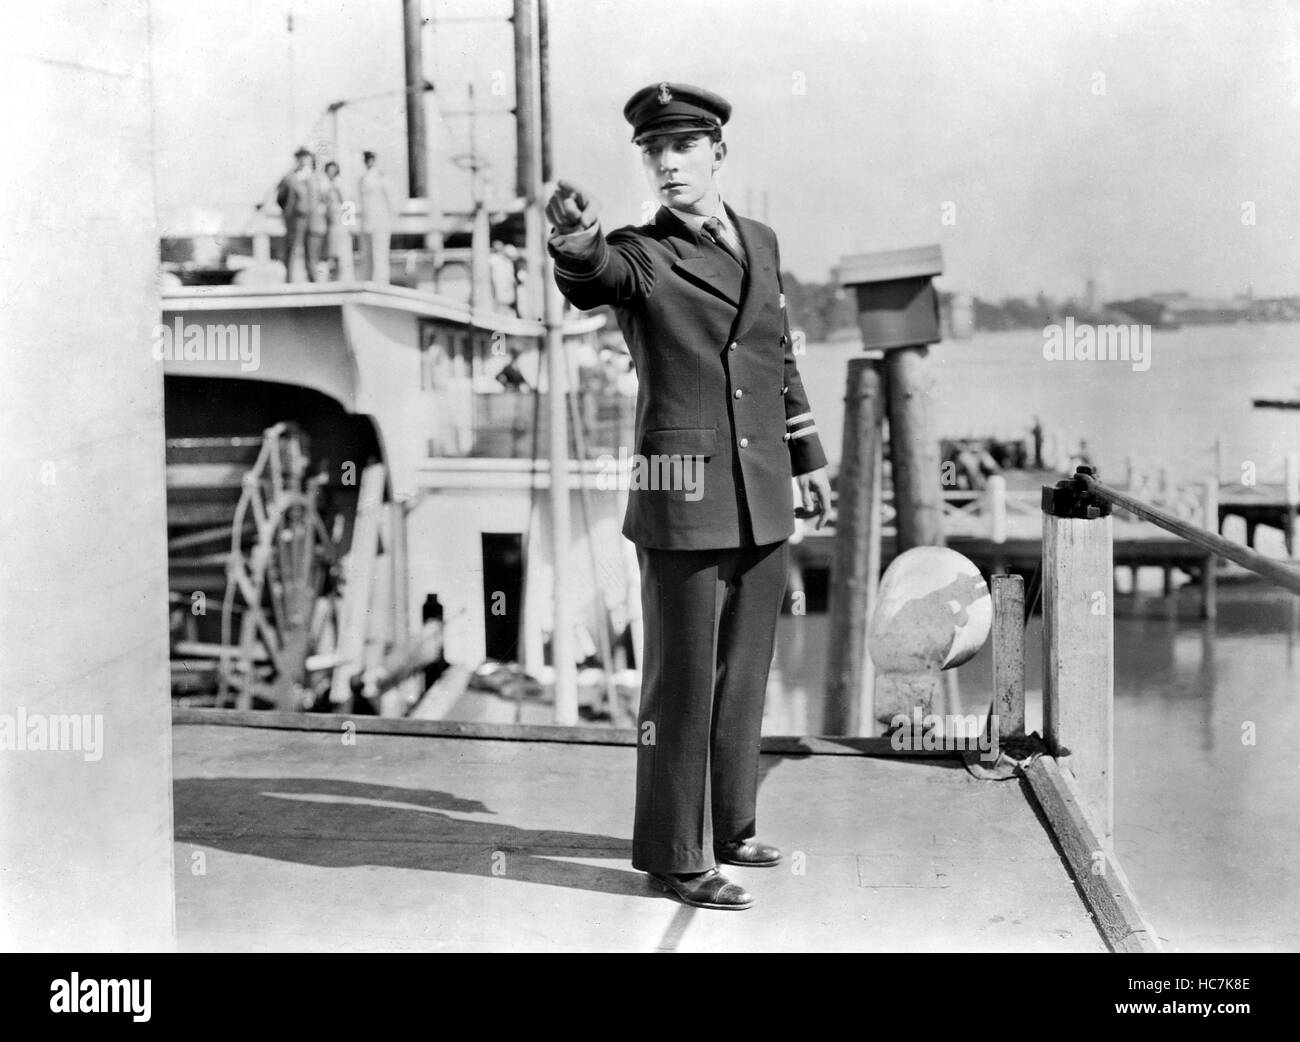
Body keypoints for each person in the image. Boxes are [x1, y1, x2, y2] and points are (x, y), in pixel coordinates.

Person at [546, 82, 832, 911]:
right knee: (682, 681)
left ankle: (731, 825)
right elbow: (594, 277)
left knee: (745, 670)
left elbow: (776, 356)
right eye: (653, 152)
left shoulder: (760, 240)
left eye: (683, 147)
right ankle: (676, 853)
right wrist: (575, 239)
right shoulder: (641, 251)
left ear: (718, 152)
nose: (668, 164)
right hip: (683, 493)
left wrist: (808, 455)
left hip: (762, 487)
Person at [275, 147, 318, 282]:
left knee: (311, 249)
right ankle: (289, 279)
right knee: (292, 247)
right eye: (302, 159)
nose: (304, 162)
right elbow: (280, 197)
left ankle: (313, 278)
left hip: (311, 218)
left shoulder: (313, 177)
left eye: (307, 159)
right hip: (295, 218)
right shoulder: (290, 177)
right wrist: (289, 211)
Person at [358, 150, 394, 283]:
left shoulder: (381, 177)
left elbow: (391, 200)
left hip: (380, 221)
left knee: (380, 255)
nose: (369, 162)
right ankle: (369, 284)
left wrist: (390, 221)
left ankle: (381, 284)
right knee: (367, 256)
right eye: (367, 160)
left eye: (371, 160)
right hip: (367, 222)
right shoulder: (362, 178)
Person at [323, 161, 354, 281]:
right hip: (331, 222)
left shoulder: (339, 184)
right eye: (329, 170)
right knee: (332, 251)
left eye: (333, 170)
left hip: (340, 222)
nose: (331, 173)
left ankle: (344, 277)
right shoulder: (328, 185)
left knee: (342, 250)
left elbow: (347, 203)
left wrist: (349, 224)